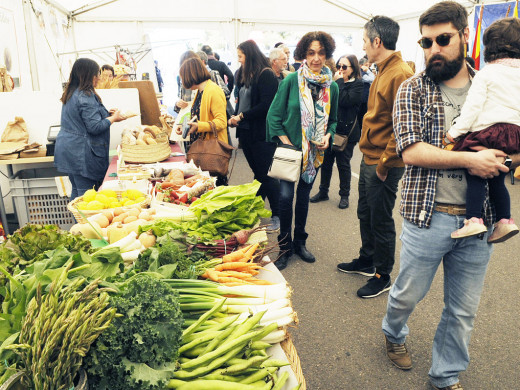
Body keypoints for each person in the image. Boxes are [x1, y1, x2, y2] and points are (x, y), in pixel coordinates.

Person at [382, 3, 518, 389]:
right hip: (428, 216)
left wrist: (501, 158)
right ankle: (393, 332)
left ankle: (445, 377)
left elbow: (515, 140)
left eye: (443, 39)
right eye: (426, 41)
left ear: (464, 36)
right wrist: (472, 160)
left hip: (481, 222)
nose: (433, 49)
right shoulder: (412, 88)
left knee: (462, 311)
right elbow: (411, 151)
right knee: (407, 295)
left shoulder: (494, 81)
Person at [337, 16, 413, 299]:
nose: (363, 47)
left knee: (380, 219)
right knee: (365, 213)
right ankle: (367, 260)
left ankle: (382, 274)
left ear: (377, 42)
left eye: (365, 42)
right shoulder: (383, 69)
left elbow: (402, 125)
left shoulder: (399, 73)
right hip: (370, 157)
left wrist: (384, 163)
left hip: (383, 162)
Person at [266, 31, 339, 271]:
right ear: (303, 55)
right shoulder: (291, 81)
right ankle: (284, 247)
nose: (316, 58)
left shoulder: (333, 87)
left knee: (304, 198)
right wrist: (287, 143)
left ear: (326, 54)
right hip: (290, 152)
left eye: (321, 53)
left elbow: (334, 121)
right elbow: (273, 117)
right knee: (286, 198)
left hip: (314, 155)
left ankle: (300, 242)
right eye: (311, 53)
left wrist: (328, 135)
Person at [445, 17, 520, 242]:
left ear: (491, 47)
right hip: (514, 134)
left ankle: (473, 220)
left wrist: (454, 132)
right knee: (497, 176)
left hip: (489, 131)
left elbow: (472, 109)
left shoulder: (486, 73)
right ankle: (505, 221)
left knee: (476, 170)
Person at [228, 40, 281, 232]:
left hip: (261, 133)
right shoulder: (243, 74)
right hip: (247, 132)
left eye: (241, 56)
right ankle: (256, 208)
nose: (239, 59)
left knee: (266, 175)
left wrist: (242, 116)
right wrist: (236, 116)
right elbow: (241, 100)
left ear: (249, 55)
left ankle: (277, 214)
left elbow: (267, 105)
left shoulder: (266, 75)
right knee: (259, 174)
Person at [55, 58, 126, 199]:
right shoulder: (85, 96)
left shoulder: (71, 92)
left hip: (70, 151)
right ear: (90, 75)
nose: (99, 78)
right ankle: (85, 221)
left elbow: (84, 120)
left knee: (77, 192)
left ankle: (79, 219)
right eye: (97, 74)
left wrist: (107, 115)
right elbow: (94, 127)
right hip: (81, 154)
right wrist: (113, 119)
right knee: (87, 196)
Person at [310, 54, 363, 209]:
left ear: (353, 68)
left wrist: (338, 81)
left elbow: (346, 100)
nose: (340, 69)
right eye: (339, 66)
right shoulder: (332, 83)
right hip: (331, 131)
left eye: (344, 67)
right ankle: (323, 191)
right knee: (326, 163)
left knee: (343, 164)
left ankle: (344, 195)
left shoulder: (358, 85)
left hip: (347, 134)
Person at [176, 57, 228, 186]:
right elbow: (199, 116)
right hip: (202, 149)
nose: (182, 81)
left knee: (214, 187)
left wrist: (199, 126)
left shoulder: (213, 90)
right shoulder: (201, 91)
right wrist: (186, 127)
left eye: (183, 77)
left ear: (190, 75)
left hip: (211, 151)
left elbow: (221, 122)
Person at [357, 57, 374, 127]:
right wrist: (368, 71)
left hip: (365, 98)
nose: (368, 66)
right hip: (362, 99)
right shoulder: (361, 73)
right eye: (366, 65)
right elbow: (373, 79)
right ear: (361, 65)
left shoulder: (364, 72)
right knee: (361, 117)